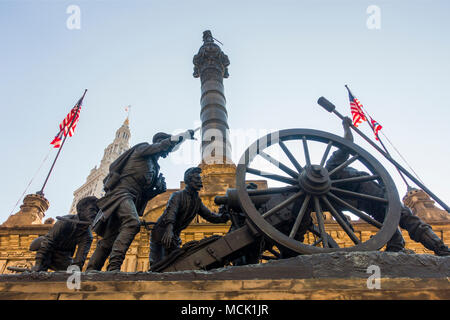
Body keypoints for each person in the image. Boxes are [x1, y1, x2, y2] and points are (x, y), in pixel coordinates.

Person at [325, 117, 450, 256]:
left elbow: (346, 145)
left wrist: (346, 127)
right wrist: (346, 126)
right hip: (375, 197)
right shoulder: (330, 170)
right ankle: (439, 248)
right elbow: (347, 143)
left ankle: (409, 246)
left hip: (372, 200)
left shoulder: (330, 169)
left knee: (395, 221)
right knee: (405, 218)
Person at [87, 131, 192, 271]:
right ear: (160, 142)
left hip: (132, 200)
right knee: (132, 223)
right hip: (121, 193)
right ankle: (114, 267)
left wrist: (157, 191)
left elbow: (144, 194)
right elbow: (162, 146)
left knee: (109, 240)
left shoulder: (155, 168)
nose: (168, 152)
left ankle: (91, 270)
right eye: (168, 148)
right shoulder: (143, 148)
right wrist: (183, 136)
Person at [149, 167, 230, 267]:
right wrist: (169, 230)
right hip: (162, 232)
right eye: (197, 179)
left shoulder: (197, 201)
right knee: (157, 263)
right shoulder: (177, 195)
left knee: (174, 263)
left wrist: (225, 217)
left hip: (174, 235)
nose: (200, 181)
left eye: (200, 179)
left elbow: (210, 216)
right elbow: (171, 212)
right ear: (189, 181)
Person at [30, 196, 98, 271]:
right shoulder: (65, 221)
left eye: (97, 212)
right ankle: (41, 265)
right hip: (47, 247)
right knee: (43, 244)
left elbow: (80, 259)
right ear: (81, 210)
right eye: (92, 210)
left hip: (63, 255)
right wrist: (38, 264)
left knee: (68, 269)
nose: (95, 213)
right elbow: (48, 241)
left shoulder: (87, 236)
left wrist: (74, 273)